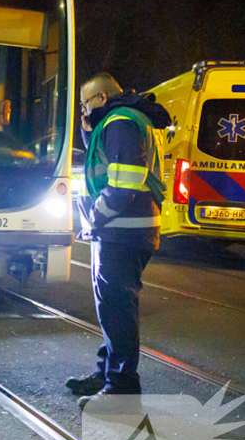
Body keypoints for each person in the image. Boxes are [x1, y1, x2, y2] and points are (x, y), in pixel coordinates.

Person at [67, 73, 170, 409]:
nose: (84, 109)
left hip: (122, 230)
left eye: (85, 103)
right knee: (112, 308)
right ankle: (108, 374)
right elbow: (106, 161)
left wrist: (95, 215)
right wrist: (88, 132)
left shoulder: (120, 122)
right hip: (123, 230)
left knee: (117, 309)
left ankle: (121, 388)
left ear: (102, 97)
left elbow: (124, 184)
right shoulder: (120, 121)